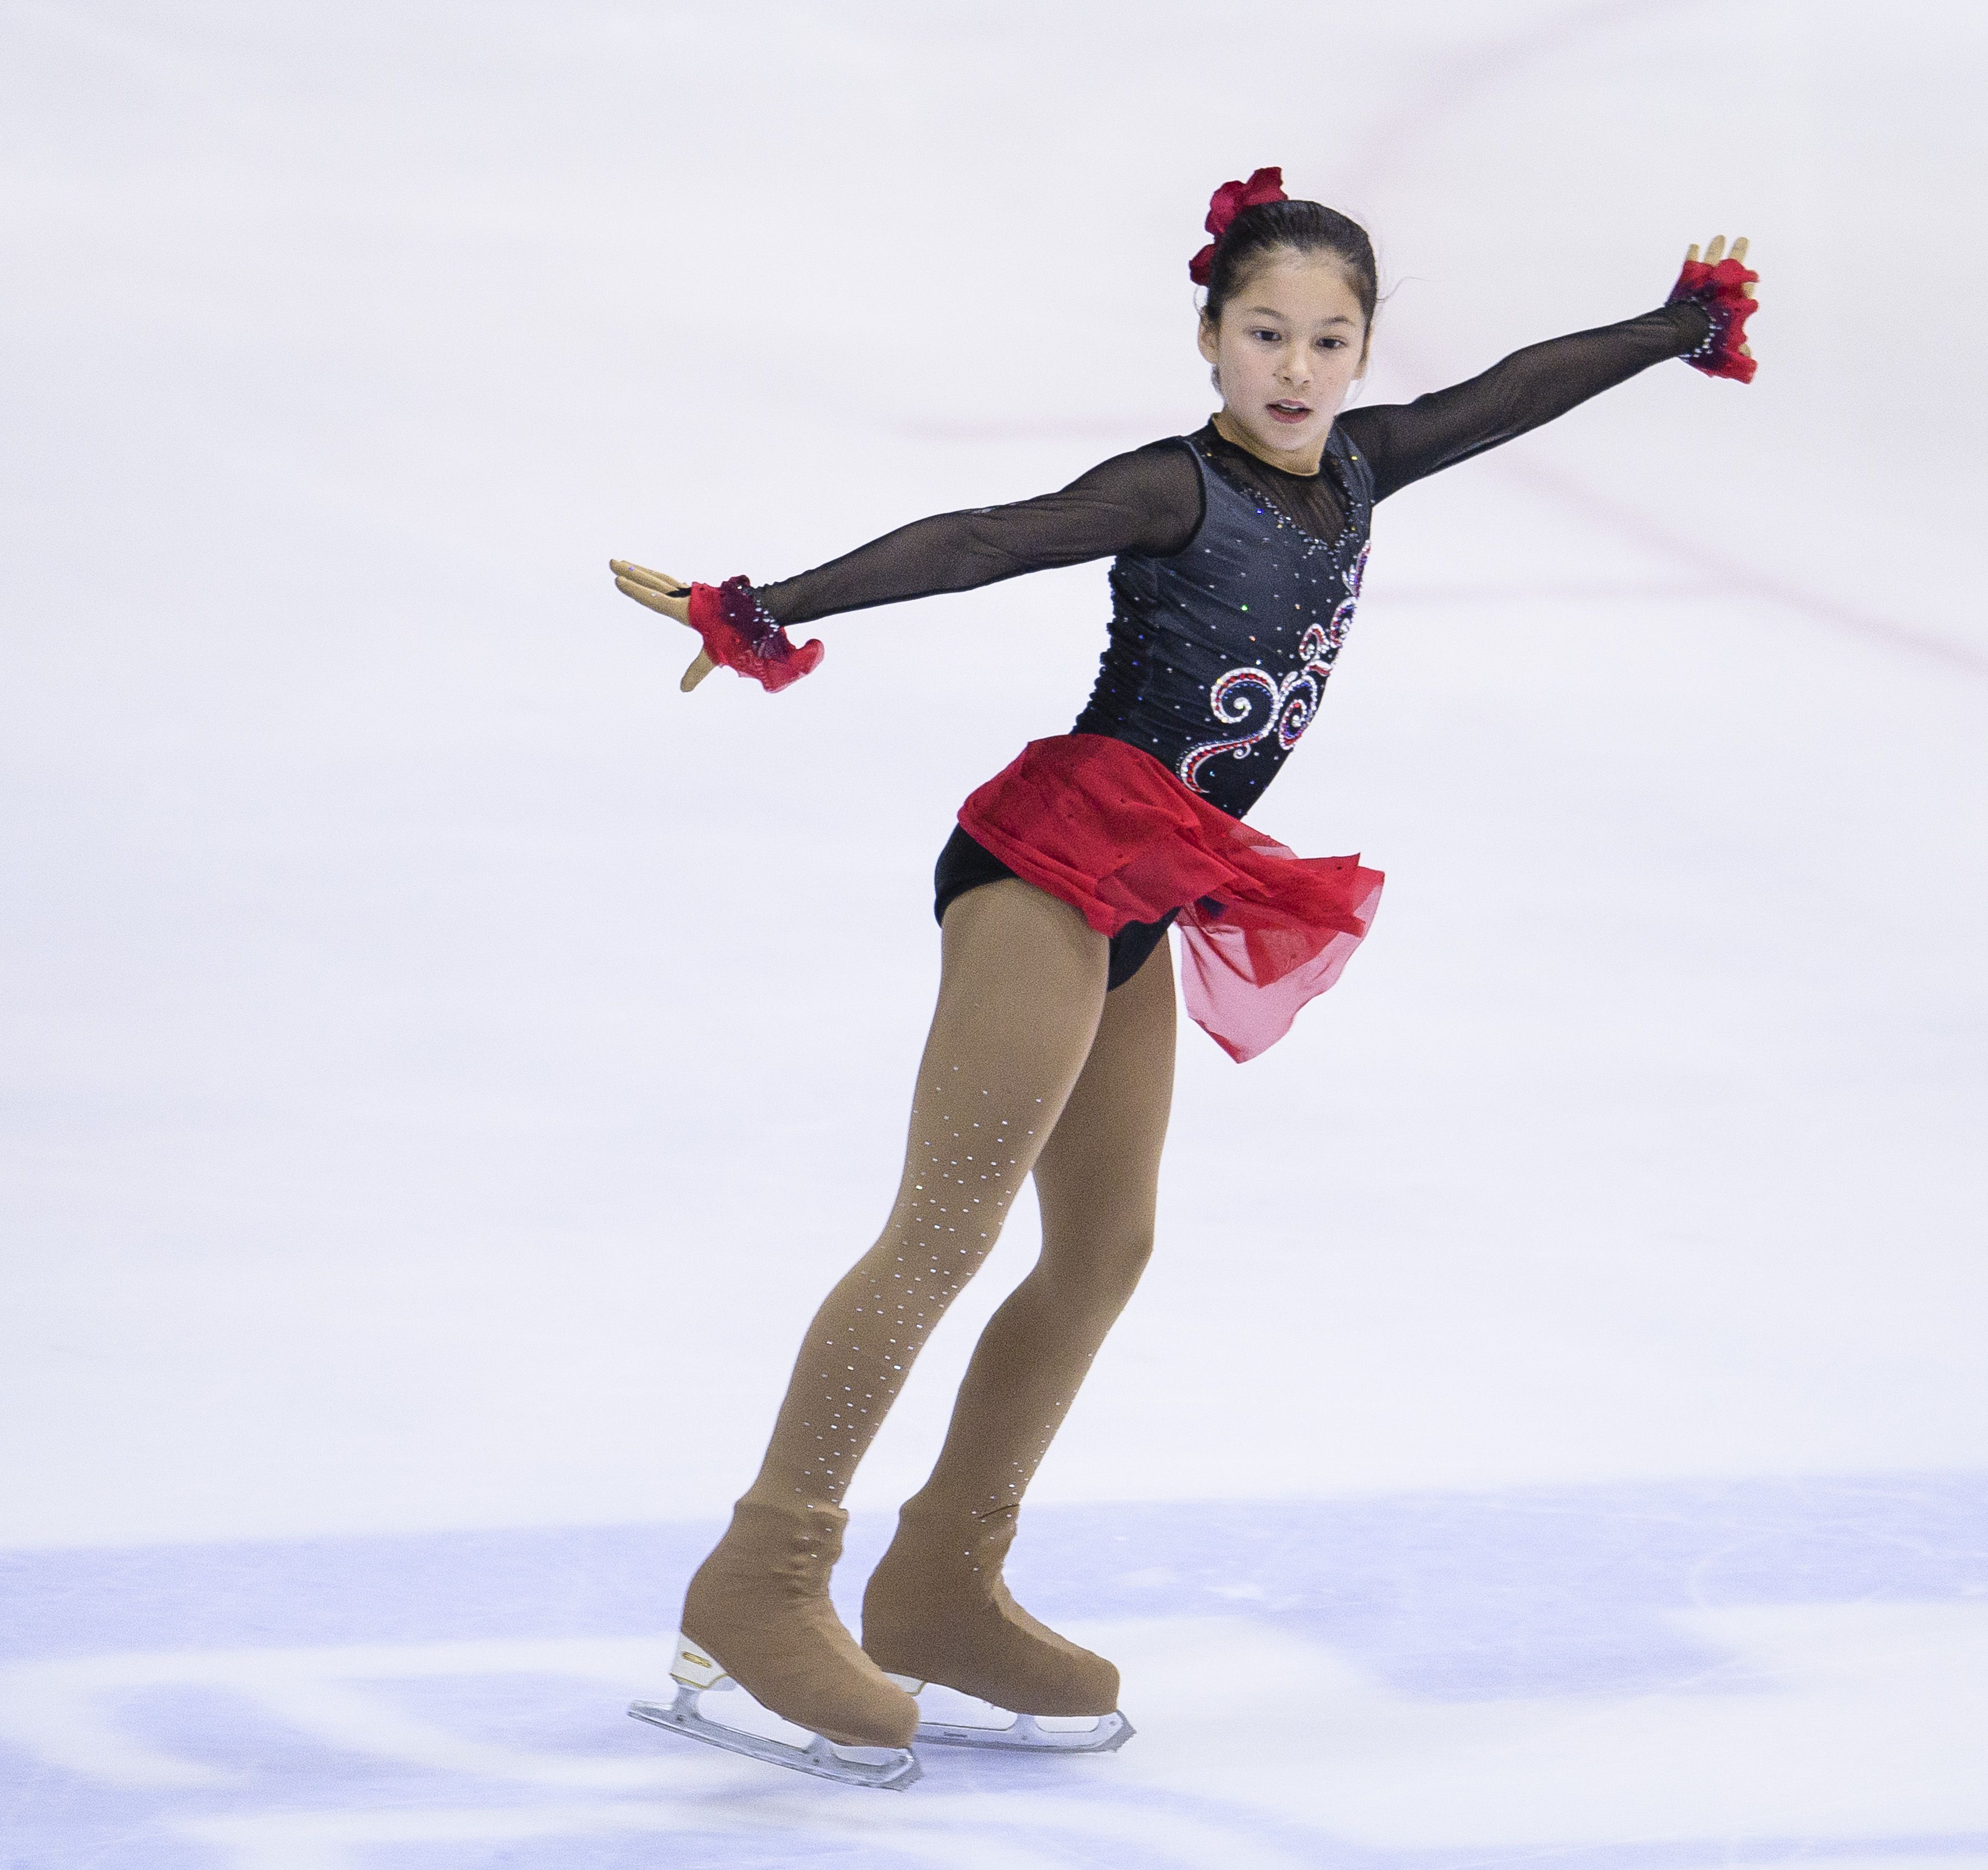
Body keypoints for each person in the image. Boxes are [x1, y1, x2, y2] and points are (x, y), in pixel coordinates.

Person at [616, 169, 1759, 1789]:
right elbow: (992, 539)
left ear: (1362, 353)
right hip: (1047, 869)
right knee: (946, 1228)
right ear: (1212, 341)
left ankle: (941, 1578)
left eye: (1329, 340)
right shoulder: (1176, 489)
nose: (1296, 369)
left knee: (1105, 1245)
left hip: (1154, 881)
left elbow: (1509, 398)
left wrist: (1674, 328)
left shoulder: (1358, 468)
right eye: (1266, 335)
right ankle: (763, 1577)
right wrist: (776, 605)